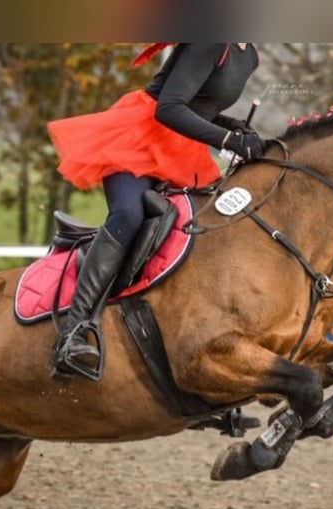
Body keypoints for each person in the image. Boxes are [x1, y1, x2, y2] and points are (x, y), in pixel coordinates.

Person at [47, 43, 265, 380]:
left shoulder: (249, 54)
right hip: (138, 138)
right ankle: (73, 333)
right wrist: (225, 140)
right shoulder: (211, 41)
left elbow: (199, 105)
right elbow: (170, 108)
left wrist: (233, 126)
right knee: (129, 216)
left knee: (198, 227)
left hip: (179, 151)